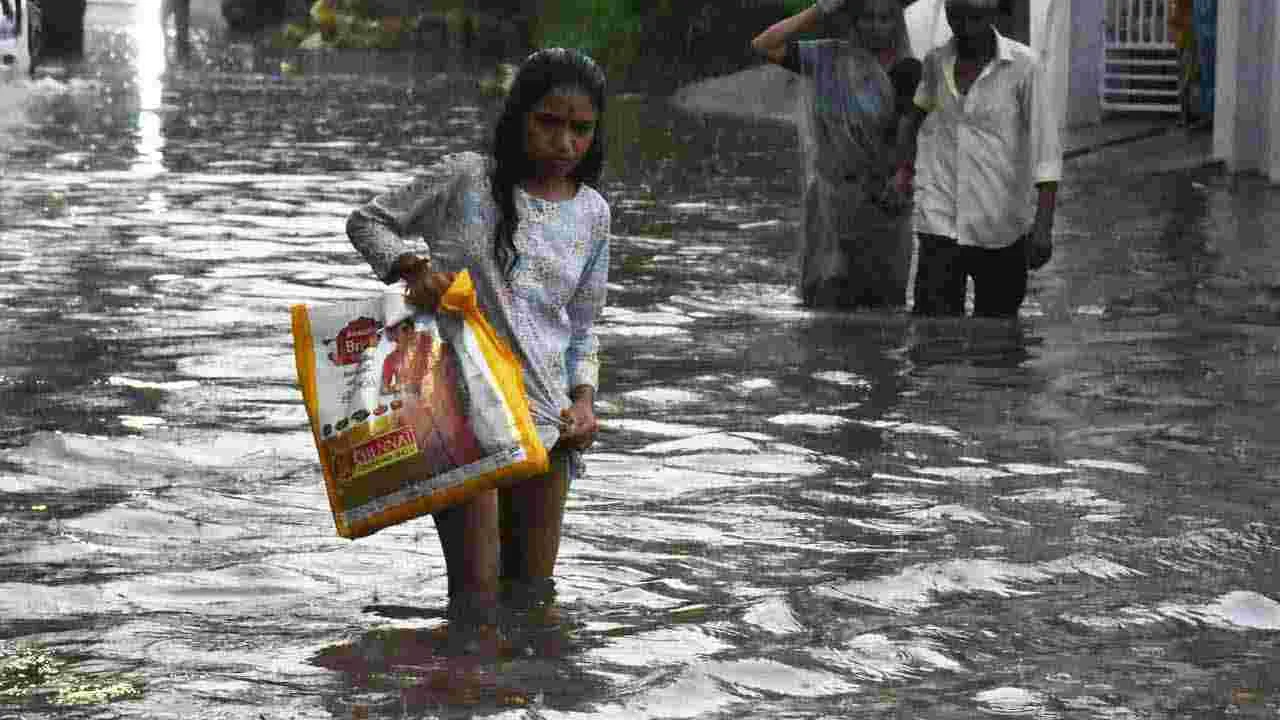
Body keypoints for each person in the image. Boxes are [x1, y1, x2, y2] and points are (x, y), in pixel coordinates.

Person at [347, 47, 609, 627]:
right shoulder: (467, 178)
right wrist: (412, 267)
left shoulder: (592, 213)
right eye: (549, 122)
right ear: (518, 118)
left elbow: (584, 326)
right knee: (476, 605)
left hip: (549, 421)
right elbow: (367, 221)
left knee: (535, 601)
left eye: (580, 129)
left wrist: (585, 402)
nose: (564, 143)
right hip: (460, 409)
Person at [896, 0, 1062, 318]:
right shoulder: (934, 62)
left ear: (995, 9)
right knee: (932, 340)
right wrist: (903, 172)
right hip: (940, 222)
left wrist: (1043, 226)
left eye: (976, 8)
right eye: (956, 8)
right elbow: (915, 116)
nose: (964, 16)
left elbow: (1047, 151)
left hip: (999, 227)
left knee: (999, 343)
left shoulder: (1025, 67)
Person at [751, 0, 921, 309]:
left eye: (885, 18)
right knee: (827, 298)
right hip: (832, 203)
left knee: (883, 311)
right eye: (867, 18)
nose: (876, 26)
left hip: (883, 205)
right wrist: (821, 9)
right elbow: (765, 44)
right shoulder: (829, 59)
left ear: (897, 22)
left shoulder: (908, 72)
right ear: (854, 21)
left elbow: (910, 140)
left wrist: (902, 177)